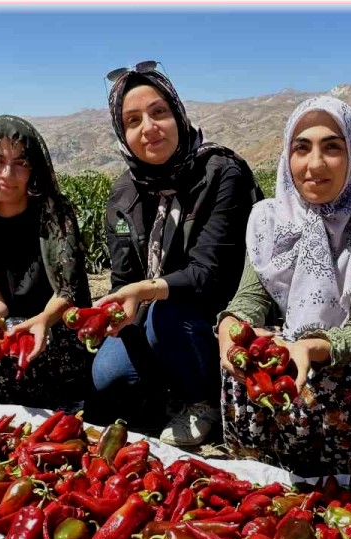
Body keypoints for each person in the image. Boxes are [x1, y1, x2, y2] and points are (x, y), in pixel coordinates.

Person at [217, 96, 351, 483]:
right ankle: (260, 477)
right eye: (302, 147)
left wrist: (309, 349)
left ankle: (349, 488)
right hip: (296, 341)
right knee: (244, 367)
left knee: (337, 382)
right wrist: (231, 328)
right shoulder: (270, 218)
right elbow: (250, 298)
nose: (314, 164)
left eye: (332, 147)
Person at [90, 62, 262, 446]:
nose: (148, 128)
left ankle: (205, 401)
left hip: (214, 309)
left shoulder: (221, 174)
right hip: (157, 312)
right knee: (107, 376)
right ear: (123, 133)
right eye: (132, 121)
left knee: (170, 315)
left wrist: (144, 292)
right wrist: (118, 312)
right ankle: (168, 385)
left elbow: (209, 274)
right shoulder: (123, 198)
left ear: (178, 115)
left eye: (159, 112)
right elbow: (124, 280)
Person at [0, 115, 93, 407]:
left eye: (21, 163)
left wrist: (43, 322)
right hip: (6, 325)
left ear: (33, 168)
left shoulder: (54, 213)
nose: (7, 175)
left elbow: (67, 292)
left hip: (53, 325)